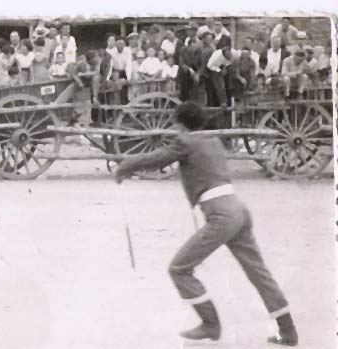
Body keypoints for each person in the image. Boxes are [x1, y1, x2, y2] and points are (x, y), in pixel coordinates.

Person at [114, 101, 298, 347]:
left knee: (179, 269)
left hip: (221, 216)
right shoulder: (214, 142)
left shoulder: (185, 142)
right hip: (239, 210)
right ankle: (288, 331)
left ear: (178, 124)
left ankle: (211, 325)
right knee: (258, 271)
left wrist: (125, 166)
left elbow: (156, 158)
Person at [176, 23, 206, 104]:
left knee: (199, 91)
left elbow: (203, 64)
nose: (189, 32)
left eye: (191, 30)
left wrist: (198, 74)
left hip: (199, 72)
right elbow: (181, 62)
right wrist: (189, 70)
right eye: (188, 30)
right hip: (186, 73)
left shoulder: (200, 46)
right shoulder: (183, 45)